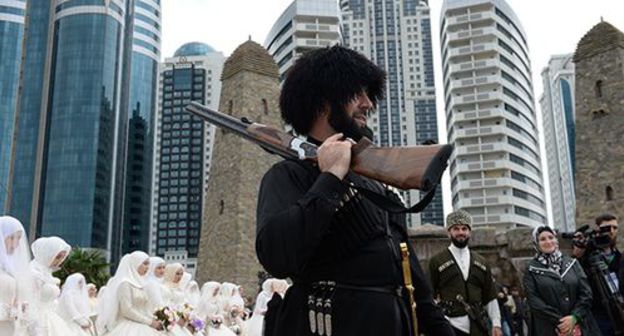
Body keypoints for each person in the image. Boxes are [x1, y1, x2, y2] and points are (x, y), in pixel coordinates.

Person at [255, 45, 453, 336]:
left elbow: (411, 280)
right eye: (356, 94)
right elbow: (276, 255)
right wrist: (331, 176)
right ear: (323, 103)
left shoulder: (375, 185)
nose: (368, 104)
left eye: (367, 94)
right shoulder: (287, 175)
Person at [428, 210, 502, 336]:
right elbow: (430, 295)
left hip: (478, 326)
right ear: (448, 232)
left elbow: (490, 296)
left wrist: (496, 323)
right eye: (456, 229)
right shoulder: (437, 261)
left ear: (469, 232)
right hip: (449, 326)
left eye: (464, 228)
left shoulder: (482, 262)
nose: (461, 232)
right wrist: (438, 322)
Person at [523, 226, 600, 336]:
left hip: (579, 326)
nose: (548, 242)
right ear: (536, 243)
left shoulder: (572, 263)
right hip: (548, 328)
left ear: (556, 240)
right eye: (543, 239)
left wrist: (574, 317)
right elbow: (534, 301)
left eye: (551, 237)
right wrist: (561, 322)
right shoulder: (531, 270)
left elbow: (586, 293)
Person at [574, 213, 623, 335]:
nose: (611, 231)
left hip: (620, 311)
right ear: (596, 230)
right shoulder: (586, 257)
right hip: (598, 316)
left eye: (614, 228)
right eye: (606, 228)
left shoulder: (620, 258)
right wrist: (579, 255)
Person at [96, 251, 163, 335]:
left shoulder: (142, 284)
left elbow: (144, 308)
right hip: (128, 326)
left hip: (144, 325)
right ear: (136, 263)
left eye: (148, 264)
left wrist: (153, 319)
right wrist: (149, 322)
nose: (147, 267)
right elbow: (126, 310)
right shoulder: (125, 283)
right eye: (145, 264)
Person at [29, 236, 78, 335]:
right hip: (36, 320)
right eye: (58, 257)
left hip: (51, 318)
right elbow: (30, 299)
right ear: (47, 254)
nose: (60, 261)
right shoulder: (34, 273)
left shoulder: (47, 274)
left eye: (63, 257)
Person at [0, 216, 33, 335]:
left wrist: (21, 308)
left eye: (19, 238)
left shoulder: (16, 268)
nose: (16, 244)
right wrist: (8, 310)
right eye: (12, 238)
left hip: (14, 328)